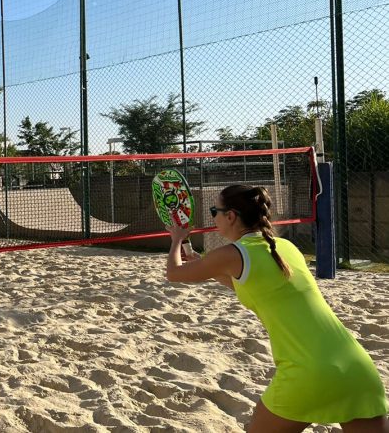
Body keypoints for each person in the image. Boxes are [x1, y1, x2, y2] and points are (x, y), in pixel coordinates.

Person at [164, 184, 388, 432]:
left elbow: (174, 273)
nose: (213, 216)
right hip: (357, 368)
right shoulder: (285, 247)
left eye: (214, 210)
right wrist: (207, 267)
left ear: (231, 216)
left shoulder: (231, 254)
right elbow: (257, 288)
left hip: (308, 371)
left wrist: (176, 240)